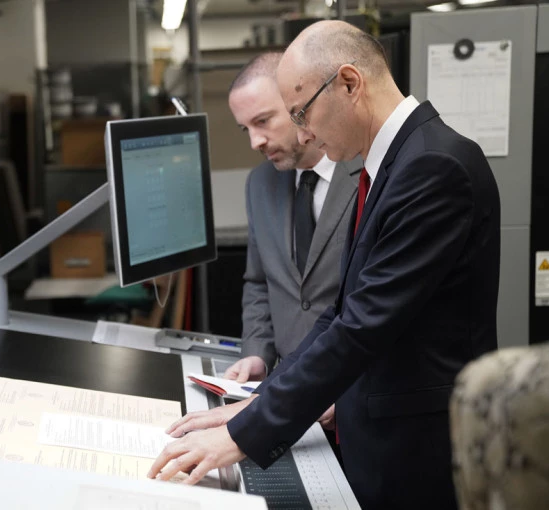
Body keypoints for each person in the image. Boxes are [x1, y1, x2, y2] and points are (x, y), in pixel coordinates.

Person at [148, 20, 500, 510]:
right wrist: (257, 404)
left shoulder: (433, 167)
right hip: (378, 435)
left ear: (349, 84)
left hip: (419, 453)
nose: (303, 132)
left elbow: (361, 327)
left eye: (302, 112)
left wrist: (243, 434)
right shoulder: (395, 164)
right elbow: (341, 311)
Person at [223, 53, 360, 437]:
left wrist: (349, 392)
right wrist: (257, 352)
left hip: (352, 402)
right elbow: (258, 283)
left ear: (299, 105)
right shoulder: (260, 184)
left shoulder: (369, 176)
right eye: (245, 129)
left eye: (263, 121)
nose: (255, 141)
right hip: (283, 396)